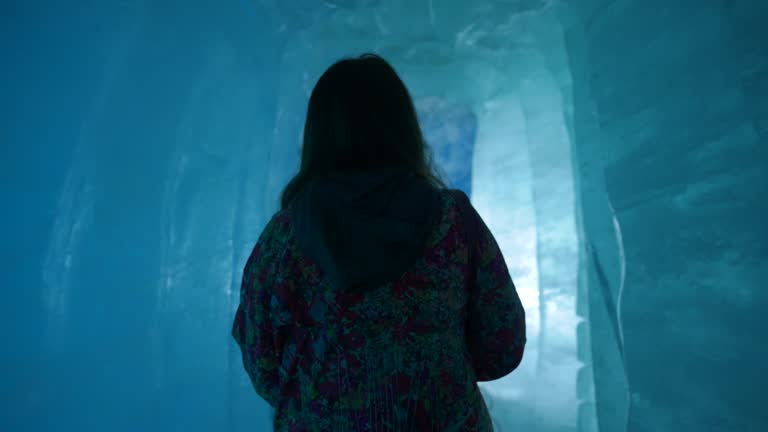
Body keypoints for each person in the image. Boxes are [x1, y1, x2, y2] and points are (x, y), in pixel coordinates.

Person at [231, 53, 526, 431]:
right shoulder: (454, 222)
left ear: (317, 135)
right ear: (403, 128)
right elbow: (503, 343)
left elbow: (261, 361)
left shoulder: (282, 239)